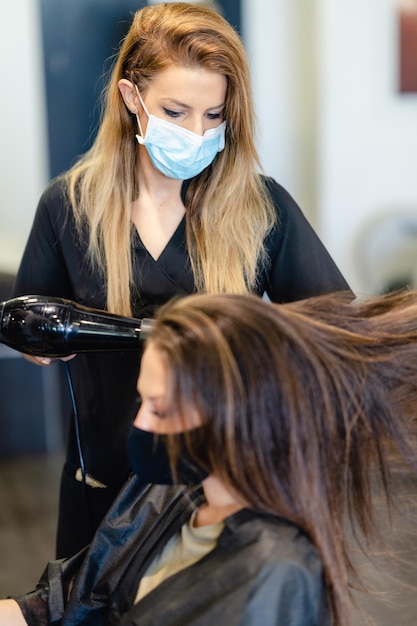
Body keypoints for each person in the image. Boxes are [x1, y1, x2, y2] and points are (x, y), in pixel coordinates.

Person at [11, 2, 349, 559]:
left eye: (214, 115)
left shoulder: (263, 210)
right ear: (131, 99)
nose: (197, 133)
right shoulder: (69, 208)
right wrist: (42, 348)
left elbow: (332, 327)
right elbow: (32, 334)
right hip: (104, 489)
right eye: (176, 111)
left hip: (222, 491)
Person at [2, 289, 417, 626]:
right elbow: (69, 598)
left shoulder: (271, 571)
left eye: (161, 409)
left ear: (233, 419)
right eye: (141, 401)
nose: (141, 423)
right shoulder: (165, 488)